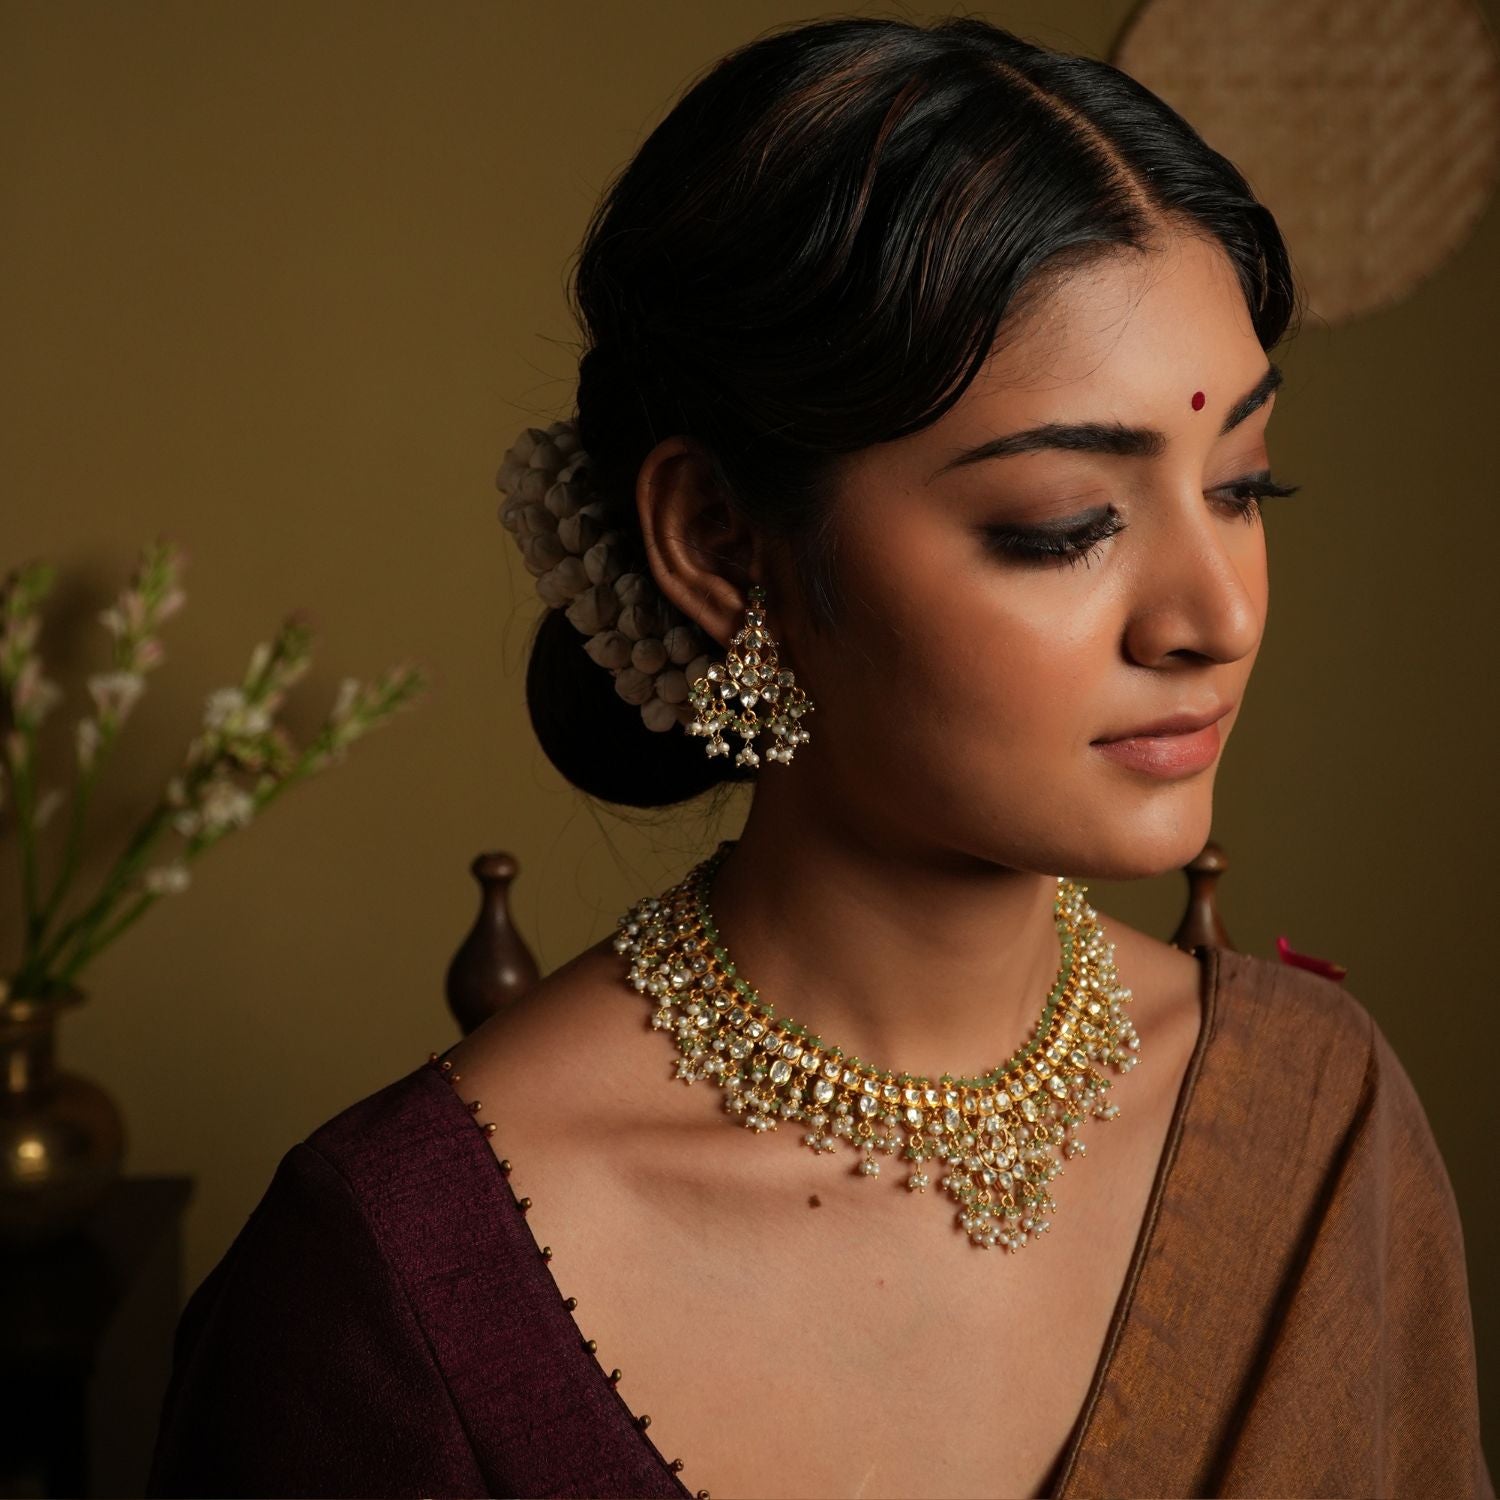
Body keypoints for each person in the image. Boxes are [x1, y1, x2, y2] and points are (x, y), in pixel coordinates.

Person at [146, 14, 1492, 1499]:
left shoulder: (1317, 1127)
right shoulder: (393, 1278)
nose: (1219, 613)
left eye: (1244, 487)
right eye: (1063, 523)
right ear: (721, 545)